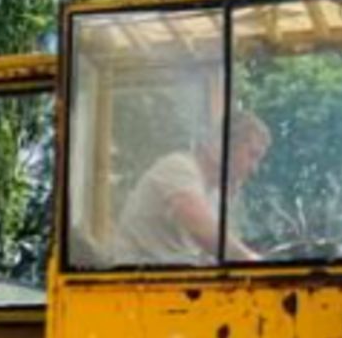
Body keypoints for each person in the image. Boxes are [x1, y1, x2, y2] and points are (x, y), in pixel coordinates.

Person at [112, 110, 270, 265]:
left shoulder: (213, 194)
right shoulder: (178, 168)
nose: (254, 169)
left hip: (173, 278)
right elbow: (202, 230)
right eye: (252, 155)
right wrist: (252, 260)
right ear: (225, 146)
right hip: (134, 279)